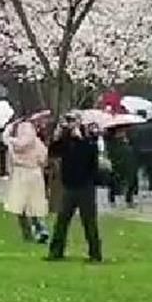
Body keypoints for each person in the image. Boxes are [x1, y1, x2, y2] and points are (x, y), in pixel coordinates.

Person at [46, 113, 103, 263]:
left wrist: (81, 138)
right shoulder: (65, 141)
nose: (71, 125)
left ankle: (95, 253)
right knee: (62, 221)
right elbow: (52, 151)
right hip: (69, 186)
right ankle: (56, 251)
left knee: (89, 222)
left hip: (85, 186)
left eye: (73, 121)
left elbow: (91, 159)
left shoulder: (89, 141)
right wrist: (58, 136)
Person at [2, 118, 49, 242]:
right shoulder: (33, 140)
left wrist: (9, 136)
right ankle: (34, 231)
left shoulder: (20, 138)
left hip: (27, 171)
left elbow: (21, 145)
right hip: (26, 171)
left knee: (28, 204)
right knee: (24, 204)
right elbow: (43, 157)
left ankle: (36, 230)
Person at [106, 126, 138, 208]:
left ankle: (128, 199)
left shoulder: (127, 140)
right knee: (116, 181)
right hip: (119, 162)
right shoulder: (112, 142)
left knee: (130, 181)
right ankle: (114, 200)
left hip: (127, 162)